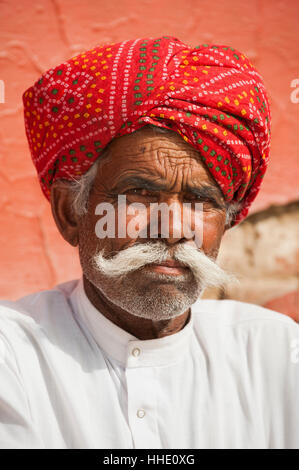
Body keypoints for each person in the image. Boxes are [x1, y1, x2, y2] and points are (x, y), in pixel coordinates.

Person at [0, 36, 298, 449]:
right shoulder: (12, 353)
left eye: (200, 201)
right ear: (70, 212)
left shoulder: (277, 353)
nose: (174, 227)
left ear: (226, 223)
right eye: (138, 194)